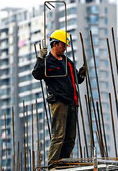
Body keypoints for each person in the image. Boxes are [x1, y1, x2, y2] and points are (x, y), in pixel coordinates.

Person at [32, 29, 86, 169]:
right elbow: (37, 74)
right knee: (59, 135)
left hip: (72, 102)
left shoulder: (68, 62)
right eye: (62, 45)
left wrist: (81, 75)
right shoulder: (47, 62)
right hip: (59, 102)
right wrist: (40, 58)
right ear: (54, 44)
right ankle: (52, 164)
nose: (64, 48)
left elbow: (76, 80)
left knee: (70, 138)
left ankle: (63, 163)